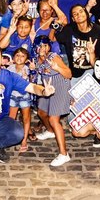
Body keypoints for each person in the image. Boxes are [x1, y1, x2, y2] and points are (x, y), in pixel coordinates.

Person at [32, 36, 73, 167]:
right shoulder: (35, 59)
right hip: (47, 88)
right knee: (41, 112)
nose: (43, 48)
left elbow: (69, 74)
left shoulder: (53, 57)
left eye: (45, 45)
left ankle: (64, 154)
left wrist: (58, 68)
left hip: (60, 87)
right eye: (40, 46)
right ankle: (50, 131)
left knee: (53, 119)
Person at [7, 47, 33, 152]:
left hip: (24, 96)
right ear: (13, 57)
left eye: (22, 56)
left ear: (26, 59)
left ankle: (24, 139)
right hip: (12, 96)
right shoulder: (10, 68)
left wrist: (32, 72)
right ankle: (10, 137)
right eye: (17, 55)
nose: (19, 58)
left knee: (26, 118)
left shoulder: (28, 69)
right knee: (11, 118)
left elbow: (33, 82)